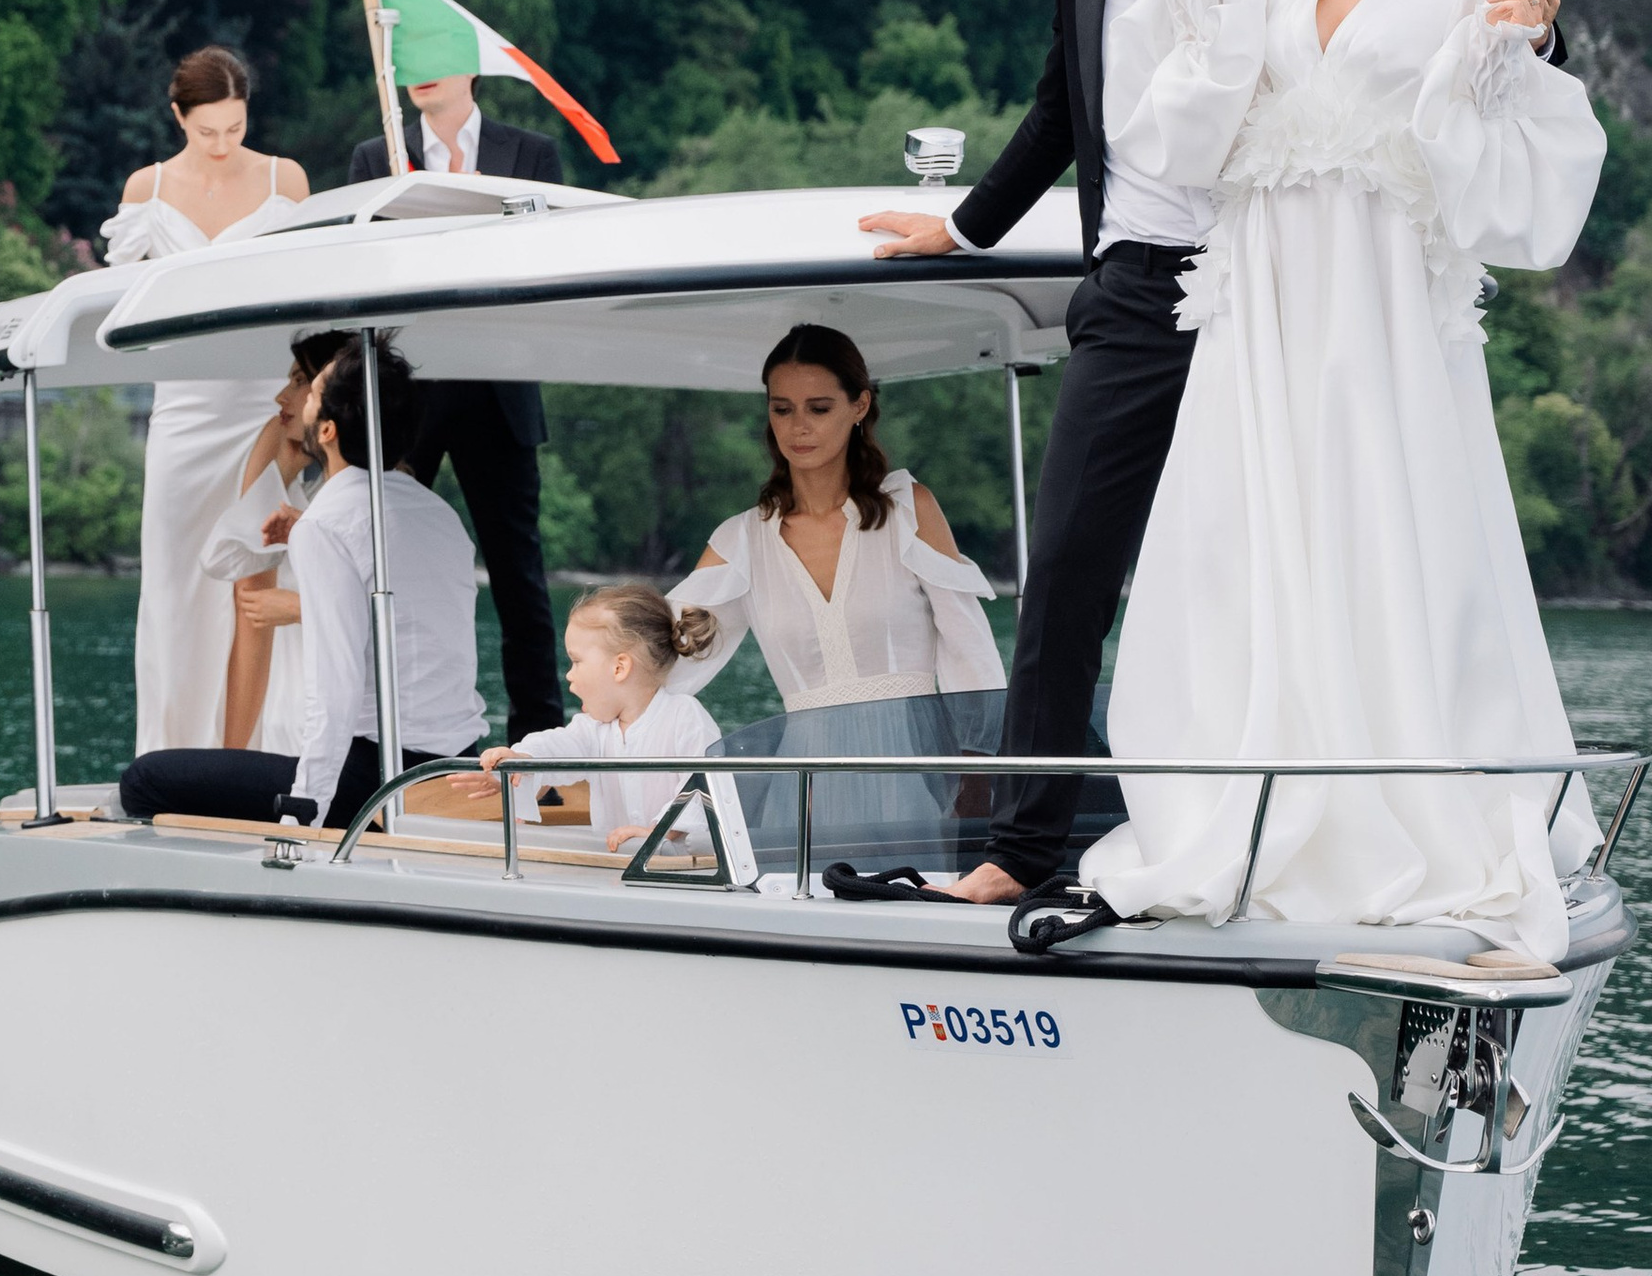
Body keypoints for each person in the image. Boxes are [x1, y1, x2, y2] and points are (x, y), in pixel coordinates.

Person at [858, 0, 1563, 901]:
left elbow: (1440, 16)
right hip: (1140, 293)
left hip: (1296, 303)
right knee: (1069, 569)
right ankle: (1017, 854)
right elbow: (1058, 113)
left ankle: (1336, 815)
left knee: (1311, 553)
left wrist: (1538, 29)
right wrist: (966, 229)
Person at [1078, 0, 1607, 957]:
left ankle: (1407, 803)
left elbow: (1503, 126)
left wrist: (1523, 33)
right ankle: (1251, 797)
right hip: (1265, 304)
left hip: (1375, 310)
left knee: (1382, 523)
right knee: (1244, 533)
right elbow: (1188, 125)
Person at [665, 325, 1003, 875]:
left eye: (819, 408)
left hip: (916, 773)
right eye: (782, 409)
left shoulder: (908, 510)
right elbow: (663, 651)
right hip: (805, 784)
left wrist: (979, 772)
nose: (798, 427)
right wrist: (566, 742)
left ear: (859, 406)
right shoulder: (743, 540)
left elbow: (971, 649)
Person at [120, 335, 487, 832]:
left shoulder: (328, 524)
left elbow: (335, 692)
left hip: (377, 775)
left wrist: (304, 813)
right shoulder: (438, 514)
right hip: (454, 762)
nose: (286, 398)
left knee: (144, 780)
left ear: (328, 429)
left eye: (309, 392)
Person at [349, 58, 565, 736]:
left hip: (501, 386)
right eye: (410, 63)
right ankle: (382, 738)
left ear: (471, 69)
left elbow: (555, 261)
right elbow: (358, 270)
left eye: (437, 61)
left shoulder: (531, 153)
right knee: (380, 571)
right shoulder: (376, 158)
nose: (421, 74)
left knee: (519, 581)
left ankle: (540, 753)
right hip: (406, 390)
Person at [104, 47, 308, 752]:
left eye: (235, 127)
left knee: (256, 576)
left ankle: (251, 758)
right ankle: (168, 754)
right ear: (178, 116)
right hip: (184, 410)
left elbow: (309, 296)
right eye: (207, 130)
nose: (222, 144)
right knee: (171, 584)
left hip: (264, 408)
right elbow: (124, 306)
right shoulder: (147, 189)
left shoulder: (285, 180)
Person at [456, 583, 754, 872]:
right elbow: (558, 747)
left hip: (684, 872)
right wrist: (520, 762)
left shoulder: (685, 716)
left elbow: (703, 786)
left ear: (619, 668)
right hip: (614, 868)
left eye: (576, 661)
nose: (569, 675)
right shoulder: (594, 729)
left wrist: (659, 830)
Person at [198, 326, 351, 756]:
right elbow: (228, 566)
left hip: (334, 713)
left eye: (300, 382)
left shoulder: (368, 501)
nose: (281, 396)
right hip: (290, 709)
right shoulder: (290, 472)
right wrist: (281, 469)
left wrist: (301, 608)